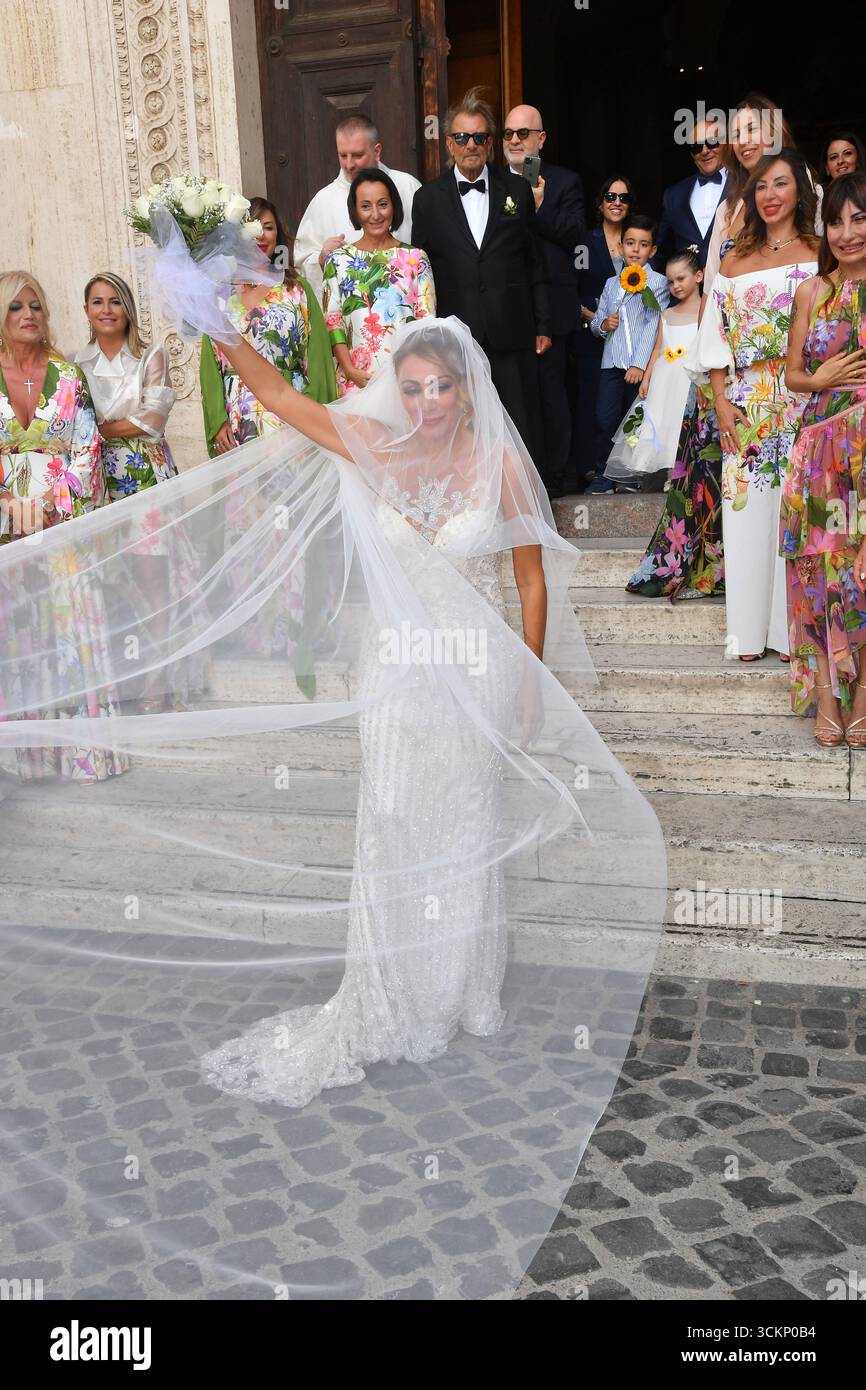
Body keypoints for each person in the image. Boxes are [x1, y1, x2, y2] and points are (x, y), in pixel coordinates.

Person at [0, 284, 666, 1295]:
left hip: (473, 672)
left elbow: (530, 581)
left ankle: (458, 993)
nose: (428, 401)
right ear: (395, 390)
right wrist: (211, 319)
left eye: (440, 385)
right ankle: (393, 990)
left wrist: (525, 679)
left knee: (464, 820)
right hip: (397, 678)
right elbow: (274, 393)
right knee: (397, 822)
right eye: (412, 386)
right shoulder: (372, 447)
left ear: (464, 386)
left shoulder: (496, 464)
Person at [629, 95, 800, 601]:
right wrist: (708, 367)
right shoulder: (729, 203)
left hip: (780, 368)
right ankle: (710, 566)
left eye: (755, 130)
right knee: (706, 458)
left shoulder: (799, 185)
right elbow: (715, 288)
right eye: (739, 131)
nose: (746, 140)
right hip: (723, 358)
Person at [689, 150, 818, 662]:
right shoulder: (733, 258)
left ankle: (789, 633)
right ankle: (745, 632)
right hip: (744, 400)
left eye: (780, 184)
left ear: (799, 192)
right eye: (760, 187)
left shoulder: (819, 251)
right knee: (746, 511)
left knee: (796, 510)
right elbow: (713, 334)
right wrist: (720, 400)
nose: (769, 196)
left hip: (805, 396)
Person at [0, 271, 125, 782]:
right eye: (15, 307)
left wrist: (50, 507)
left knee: (69, 631)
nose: (29, 315)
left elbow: (88, 449)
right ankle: (22, 760)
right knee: (16, 637)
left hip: (62, 527)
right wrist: (8, 504)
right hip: (6, 533)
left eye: (36, 306)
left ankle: (81, 755)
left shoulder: (69, 377)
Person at [411, 86, 551, 470]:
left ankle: (525, 511)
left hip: (512, 328)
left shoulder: (518, 191)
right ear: (449, 145)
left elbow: (532, 262)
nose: (470, 144)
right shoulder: (427, 199)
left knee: (518, 423)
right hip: (454, 335)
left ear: (490, 143)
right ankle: (467, 504)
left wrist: (543, 323)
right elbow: (419, 272)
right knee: (461, 426)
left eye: (479, 137)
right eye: (461, 137)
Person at [781, 171, 866, 745]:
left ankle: (864, 692)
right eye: (835, 221)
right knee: (819, 570)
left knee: (860, 571)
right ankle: (828, 697)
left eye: (858, 218)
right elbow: (792, 375)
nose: (846, 232)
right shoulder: (812, 292)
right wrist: (823, 377)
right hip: (817, 452)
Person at [200, 196, 337, 456]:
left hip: (293, 417)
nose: (261, 235)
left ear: (278, 235)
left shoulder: (296, 290)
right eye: (252, 227)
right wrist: (218, 422)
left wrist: (313, 418)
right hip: (238, 419)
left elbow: (318, 359)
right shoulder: (219, 296)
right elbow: (210, 365)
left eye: (268, 227)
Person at [502, 104, 586, 496]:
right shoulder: (492, 183)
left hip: (552, 307)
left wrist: (535, 210)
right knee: (511, 395)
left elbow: (573, 235)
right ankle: (517, 479)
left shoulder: (564, 182)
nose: (515, 140)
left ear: (541, 138)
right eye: (508, 134)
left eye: (523, 133)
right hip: (507, 307)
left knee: (552, 392)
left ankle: (555, 478)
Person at [322, 167, 435, 395]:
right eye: (365, 206)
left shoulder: (415, 259)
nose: (375, 214)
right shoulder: (338, 261)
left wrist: (410, 375)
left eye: (383, 204)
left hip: (407, 381)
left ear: (394, 206)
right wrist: (349, 370)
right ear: (355, 210)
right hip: (355, 381)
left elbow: (427, 325)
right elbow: (333, 323)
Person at [293, 114, 420, 305]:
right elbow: (301, 264)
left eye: (357, 155)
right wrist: (320, 258)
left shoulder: (408, 187)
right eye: (343, 155)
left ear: (377, 151)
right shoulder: (323, 201)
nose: (349, 165)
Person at [606, 246, 702, 492]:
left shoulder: (706, 310)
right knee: (664, 423)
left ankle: (690, 474)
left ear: (699, 276)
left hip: (691, 378)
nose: (675, 286)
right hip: (665, 377)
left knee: (685, 422)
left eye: (681, 279)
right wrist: (647, 378)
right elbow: (658, 349)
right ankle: (672, 474)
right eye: (670, 282)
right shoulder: (667, 313)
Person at [76, 273, 177, 500]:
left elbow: (152, 419)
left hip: (147, 470)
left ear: (128, 307)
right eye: (97, 302)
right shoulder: (76, 364)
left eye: (115, 302)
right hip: (96, 473)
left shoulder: (151, 356)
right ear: (86, 310)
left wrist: (97, 431)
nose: (107, 310)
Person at [587, 215, 670, 493]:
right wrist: (602, 324)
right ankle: (603, 470)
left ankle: (629, 476)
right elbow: (596, 322)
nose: (636, 249)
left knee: (633, 421)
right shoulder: (611, 284)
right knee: (605, 418)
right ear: (620, 247)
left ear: (653, 251)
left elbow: (653, 326)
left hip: (639, 367)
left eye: (643, 244)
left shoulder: (657, 283)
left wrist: (638, 364)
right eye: (630, 243)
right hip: (611, 361)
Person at [574, 173, 634, 488]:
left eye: (623, 198)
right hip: (593, 335)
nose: (617, 203)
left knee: (628, 400)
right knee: (594, 402)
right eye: (611, 197)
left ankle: (626, 470)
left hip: (632, 338)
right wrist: (591, 317)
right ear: (600, 203)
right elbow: (576, 285)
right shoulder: (585, 242)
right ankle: (594, 467)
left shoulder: (638, 242)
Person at [656, 116, 727, 268]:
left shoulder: (745, 184)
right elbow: (659, 251)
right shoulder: (673, 195)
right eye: (697, 147)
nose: (705, 151)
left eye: (712, 142)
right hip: (688, 289)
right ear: (691, 155)